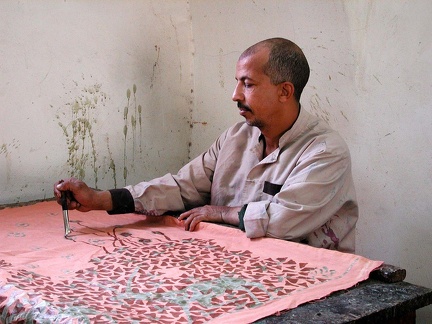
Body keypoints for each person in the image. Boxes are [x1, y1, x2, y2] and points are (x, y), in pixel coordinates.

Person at [54, 37, 358, 252]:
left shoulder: (324, 152)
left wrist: (220, 212)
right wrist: (99, 199)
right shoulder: (237, 137)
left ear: (284, 91)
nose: (235, 95)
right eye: (238, 82)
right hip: (239, 263)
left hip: (310, 281)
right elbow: (181, 186)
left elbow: (284, 220)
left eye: (248, 84)